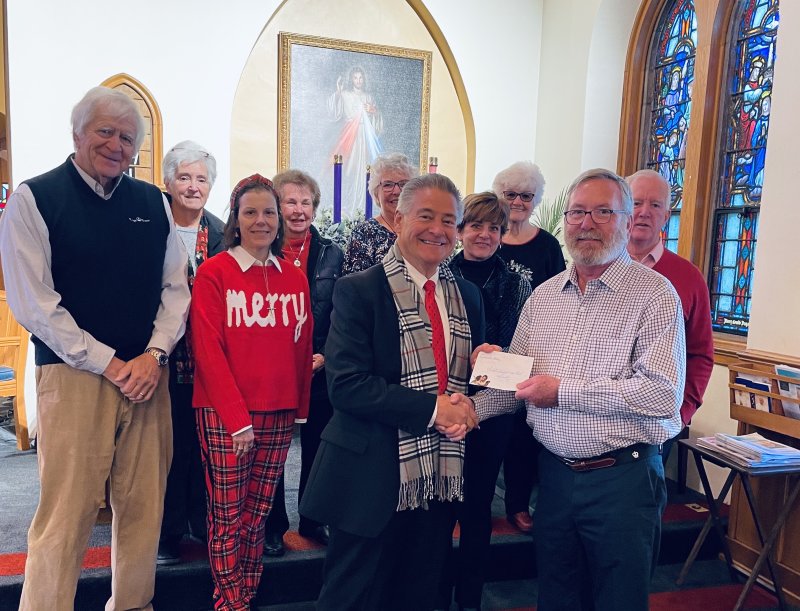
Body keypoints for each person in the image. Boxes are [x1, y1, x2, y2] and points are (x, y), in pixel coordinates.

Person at [0, 86, 190, 611]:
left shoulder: (152, 202)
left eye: (127, 137)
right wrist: (109, 363)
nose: (116, 145)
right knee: (66, 514)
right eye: (105, 131)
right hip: (74, 377)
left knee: (143, 509)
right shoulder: (35, 199)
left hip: (148, 377)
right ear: (77, 134)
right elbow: (34, 303)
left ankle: (133, 604)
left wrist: (154, 355)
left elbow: (176, 288)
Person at [472, 168, 686, 611]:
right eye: (577, 212)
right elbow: (517, 383)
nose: (586, 223)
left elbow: (662, 393)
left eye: (603, 212)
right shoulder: (544, 297)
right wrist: (468, 408)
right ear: (564, 220)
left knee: (618, 601)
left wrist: (563, 392)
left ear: (626, 221)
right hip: (554, 478)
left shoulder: (655, 295)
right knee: (557, 596)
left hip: (622, 481)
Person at [301, 173, 486, 611]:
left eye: (448, 220)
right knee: (352, 598)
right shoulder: (359, 290)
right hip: (370, 476)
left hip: (437, 476)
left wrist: (483, 370)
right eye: (426, 216)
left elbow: (461, 383)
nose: (437, 230)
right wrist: (434, 409)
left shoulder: (467, 296)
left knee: (420, 596)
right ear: (399, 219)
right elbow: (347, 386)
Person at [190, 174, 313, 611]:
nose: (261, 220)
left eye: (269, 212)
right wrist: (236, 419)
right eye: (250, 212)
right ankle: (230, 601)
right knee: (227, 515)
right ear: (235, 220)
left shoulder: (294, 277)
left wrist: (300, 408)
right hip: (226, 414)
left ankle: (247, 592)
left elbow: (302, 346)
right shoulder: (214, 273)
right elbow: (207, 350)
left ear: (279, 220)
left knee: (257, 515)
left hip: (278, 411)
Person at [440, 191, 532, 610]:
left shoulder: (517, 283)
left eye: (494, 228)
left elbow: (520, 349)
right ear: (460, 230)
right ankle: (436, 592)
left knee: (477, 507)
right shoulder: (440, 274)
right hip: (443, 403)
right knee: (440, 506)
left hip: (492, 407)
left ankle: (470, 599)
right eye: (476, 225)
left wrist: (493, 357)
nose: (485, 234)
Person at [263, 169, 344, 556]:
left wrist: (325, 353)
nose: (298, 210)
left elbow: (341, 310)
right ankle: (271, 525)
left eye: (306, 202)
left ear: (315, 207)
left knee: (318, 446)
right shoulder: (261, 250)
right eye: (289, 202)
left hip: (319, 365)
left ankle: (313, 518)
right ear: (277, 207)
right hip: (274, 368)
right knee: (272, 449)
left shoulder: (332, 252)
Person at [157, 140, 225, 565]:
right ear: (168, 182)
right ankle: (166, 532)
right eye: (184, 177)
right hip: (158, 358)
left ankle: (200, 523)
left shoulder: (223, 233)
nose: (193, 186)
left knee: (203, 446)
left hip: (207, 360)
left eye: (201, 179)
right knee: (165, 450)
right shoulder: (150, 224)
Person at [492, 160, 565, 533]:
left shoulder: (547, 245)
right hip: (491, 351)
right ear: (499, 196)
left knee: (523, 432)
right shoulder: (487, 237)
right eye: (511, 194)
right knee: (490, 428)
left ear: (536, 200)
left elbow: (564, 296)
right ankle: (476, 504)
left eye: (526, 195)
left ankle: (518, 504)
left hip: (536, 350)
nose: (518, 202)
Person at [626, 169, 714, 461]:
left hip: (658, 425)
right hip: (600, 416)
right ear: (622, 209)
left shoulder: (688, 278)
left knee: (648, 490)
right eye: (636, 203)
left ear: (666, 215)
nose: (644, 212)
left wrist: (683, 412)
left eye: (655, 205)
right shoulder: (599, 269)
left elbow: (700, 354)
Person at [341, 153, 417, 275]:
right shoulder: (364, 233)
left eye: (403, 184)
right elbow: (354, 282)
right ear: (376, 193)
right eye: (388, 185)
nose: (397, 191)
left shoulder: (423, 230)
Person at [327, 65, 384, 217]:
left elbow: (377, 121)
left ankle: (361, 209)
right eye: (355, 78)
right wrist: (338, 92)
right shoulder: (345, 94)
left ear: (363, 79)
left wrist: (373, 112)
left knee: (365, 172)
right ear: (351, 79)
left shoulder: (368, 97)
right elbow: (334, 112)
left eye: (360, 78)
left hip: (364, 138)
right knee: (349, 171)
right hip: (350, 138)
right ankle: (348, 209)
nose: (358, 80)